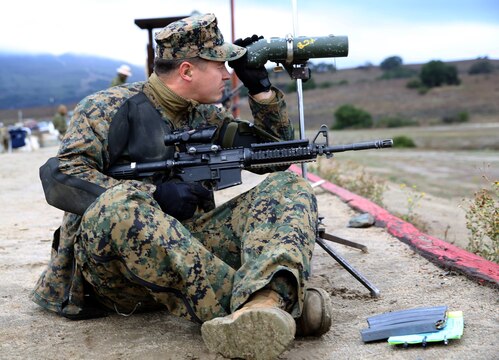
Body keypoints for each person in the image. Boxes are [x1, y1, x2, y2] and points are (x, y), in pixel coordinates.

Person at [32, 13, 332, 359]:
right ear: (187, 71)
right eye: (219, 64)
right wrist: (152, 196)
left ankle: (264, 304)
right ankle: (265, 305)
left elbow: (276, 156)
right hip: (113, 276)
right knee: (122, 206)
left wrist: (261, 91)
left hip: (188, 251)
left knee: (286, 187)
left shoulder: (206, 116)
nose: (226, 73)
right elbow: (60, 175)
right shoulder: (107, 108)